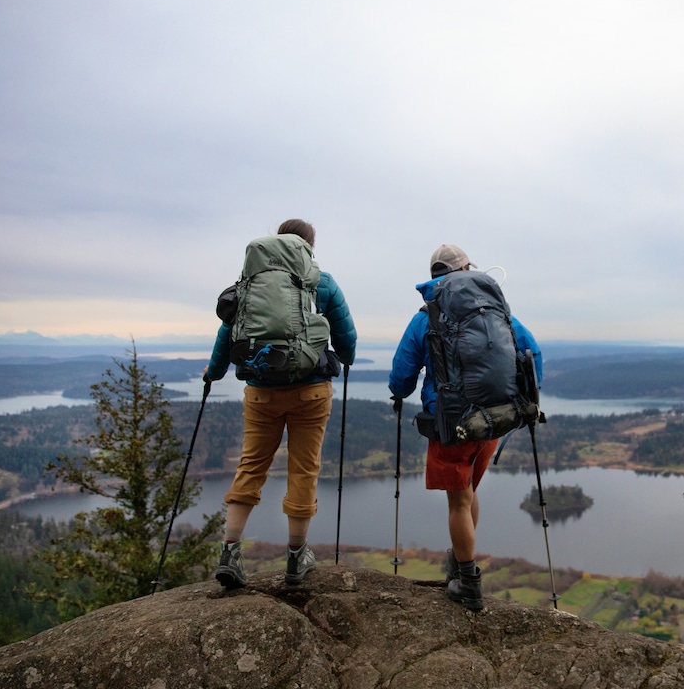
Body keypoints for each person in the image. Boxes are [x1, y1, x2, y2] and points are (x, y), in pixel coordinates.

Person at [388, 244, 542, 611]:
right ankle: (459, 565)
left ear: (435, 277)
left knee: (458, 500)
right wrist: (526, 399)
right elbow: (532, 353)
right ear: (468, 268)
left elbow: (401, 378)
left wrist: (399, 392)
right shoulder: (498, 312)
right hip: (494, 420)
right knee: (469, 493)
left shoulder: (426, 317)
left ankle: (468, 582)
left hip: (453, 423)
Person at [204, 219, 356, 589]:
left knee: (251, 465)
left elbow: (227, 332)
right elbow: (345, 333)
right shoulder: (322, 282)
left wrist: (213, 372)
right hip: (311, 392)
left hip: (260, 391)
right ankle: (296, 557)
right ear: (309, 247)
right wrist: (346, 357)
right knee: (303, 470)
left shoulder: (250, 283)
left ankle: (230, 552)